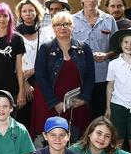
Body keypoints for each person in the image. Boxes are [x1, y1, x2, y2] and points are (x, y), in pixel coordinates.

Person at [31, 11, 94, 141]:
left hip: (76, 104)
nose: (62, 27)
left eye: (66, 24)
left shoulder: (84, 48)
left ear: (73, 26)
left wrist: (84, 98)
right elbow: (40, 76)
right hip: (49, 103)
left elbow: (90, 75)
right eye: (58, 24)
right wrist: (54, 102)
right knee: (50, 138)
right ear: (53, 28)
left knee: (74, 139)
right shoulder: (46, 49)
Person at [72, 0, 118, 119]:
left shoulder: (109, 20)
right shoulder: (73, 20)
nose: (91, 0)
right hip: (80, 76)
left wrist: (106, 55)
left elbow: (118, 48)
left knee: (100, 114)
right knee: (80, 116)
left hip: (103, 76)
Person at [15, 0, 54, 131]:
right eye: (24, 11)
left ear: (37, 12)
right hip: (19, 79)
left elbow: (50, 59)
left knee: (39, 116)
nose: (28, 13)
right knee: (22, 117)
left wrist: (33, 70)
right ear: (20, 14)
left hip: (40, 79)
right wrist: (24, 82)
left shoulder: (46, 33)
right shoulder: (15, 34)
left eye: (31, 10)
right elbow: (12, 62)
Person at [106, 28, 131, 154]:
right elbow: (110, 86)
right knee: (117, 141)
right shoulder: (114, 64)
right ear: (120, 45)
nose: (129, 45)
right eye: (125, 42)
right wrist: (108, 107)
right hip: (118, 105)